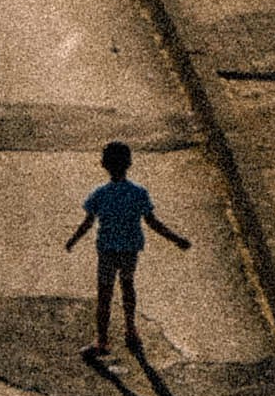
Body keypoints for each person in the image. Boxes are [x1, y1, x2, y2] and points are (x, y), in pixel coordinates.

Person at [65, 139, 189, 359]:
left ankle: (102, 341)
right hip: (130, 250)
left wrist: (73, 240)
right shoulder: (138, 193)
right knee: (128, 285)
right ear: (129, 163)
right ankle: (131, 329)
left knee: (104, 294)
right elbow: (152, 222)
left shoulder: (100, 194)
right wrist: (176, 239)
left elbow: (87, 223)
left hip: (107, 251)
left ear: (103, 164)